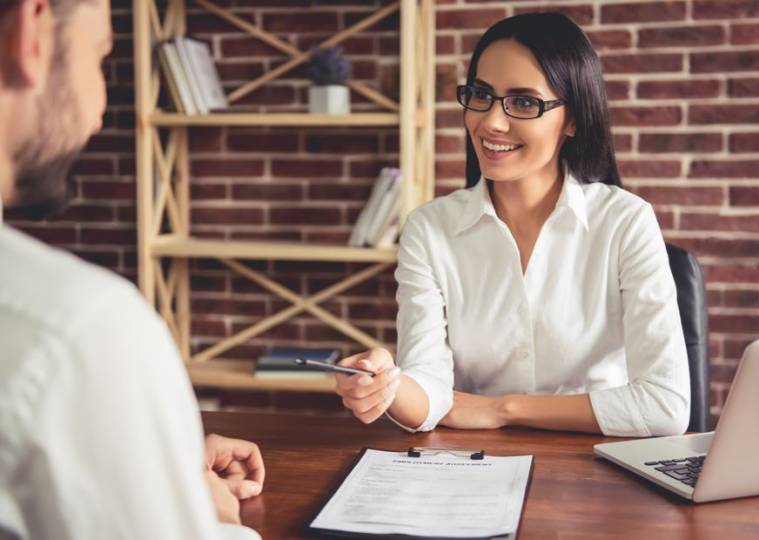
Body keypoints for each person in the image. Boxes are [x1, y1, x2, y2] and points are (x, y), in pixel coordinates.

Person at [334, 12, 690, 438]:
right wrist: (385, 382)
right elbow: (431, 392)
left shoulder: (625, 222)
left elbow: (665, 406)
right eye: (481, 95)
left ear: (573, 119)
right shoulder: (429, 229)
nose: (490, 122)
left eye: (524, 102)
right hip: (473, 467)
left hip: (599, 470)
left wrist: (503, 409)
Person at [0, 0, 264, 537]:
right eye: (99, 57)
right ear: (33, 32)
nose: (98, 112)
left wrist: (152, 467)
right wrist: (212, 517)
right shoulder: (79, 331)